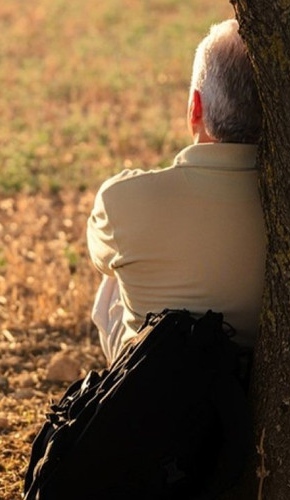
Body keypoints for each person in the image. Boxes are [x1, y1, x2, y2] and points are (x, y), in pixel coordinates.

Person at [87, 19, 265, 365]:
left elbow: (98, 256)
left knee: (115, 275)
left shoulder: (122, 199)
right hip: (250, 389)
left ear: (194, 107)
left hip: (154, 392)